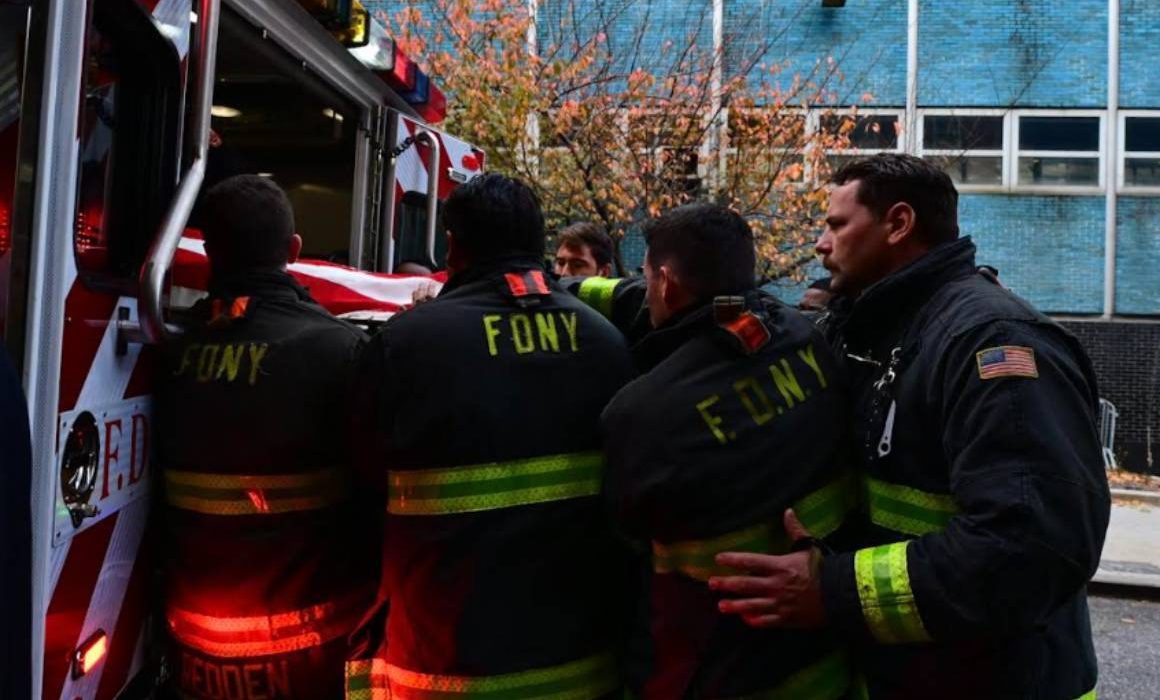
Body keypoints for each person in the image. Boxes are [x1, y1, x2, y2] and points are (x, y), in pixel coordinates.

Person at [710, 154, 1110, 699]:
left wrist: (832, 590)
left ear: (898, 223)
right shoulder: (870, 329)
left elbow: (1030, 548)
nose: (821, 245)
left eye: (836, 225)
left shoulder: (992, 343)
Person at [346, 173, 633, 698]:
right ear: (538, 245)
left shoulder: (405, 345)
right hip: (580, 667)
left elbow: (358, 484)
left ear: (453, 246)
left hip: (441, 670)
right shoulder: (608, 343)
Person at [600, 203, 853, 698]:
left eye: (647, 278)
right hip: (821, 661)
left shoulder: (641, 413)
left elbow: (621, 545)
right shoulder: (805, 336)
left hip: (709, 670)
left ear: (666, 283)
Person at [155, 175, 372, 700]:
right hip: (310, 658)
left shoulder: (166, 349)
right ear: (294, 250)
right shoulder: (340, 350)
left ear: (209, 252)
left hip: (192, 651)